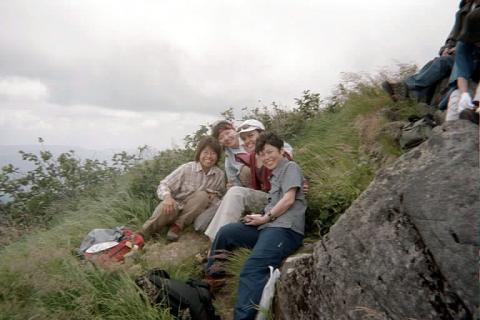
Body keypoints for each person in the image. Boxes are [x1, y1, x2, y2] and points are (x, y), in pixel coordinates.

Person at [204, 132, 306, 320]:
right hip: (268, 226)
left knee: (252, 269)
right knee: (227, 232)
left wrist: (265, 218)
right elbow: (274, 202)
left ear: (282, 151)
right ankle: (212, 278)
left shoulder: (290, 167)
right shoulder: (275, 176)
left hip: (285, 230)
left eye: (270, 152)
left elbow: (289, 200)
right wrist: (259, 217)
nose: (266, 157)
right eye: (262, 154)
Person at [204, 119, 294, 241]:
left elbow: (284, 152)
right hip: (259, 190)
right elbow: (235, 183)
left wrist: (279, 158)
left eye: (227, 132)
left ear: (234, 130)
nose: (226, 138)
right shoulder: (232, 159)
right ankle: (215, 239)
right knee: (234, 191)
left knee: (238, 186)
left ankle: (218, 240)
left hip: (278, 193)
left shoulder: (259, 143)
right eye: (221, 137)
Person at [382, 1, 471, 105]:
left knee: (442, 62)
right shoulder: (463, 11)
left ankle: (406, 86)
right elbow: (452, 37)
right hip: (457, 55)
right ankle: (412, 96)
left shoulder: (474, 12)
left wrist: (457, 49)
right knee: (435, 63)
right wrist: (446, 48)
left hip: (469, 57)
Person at [140, 136, 225, 242]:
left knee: (203, 196)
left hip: (191, 214)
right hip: (174, 206)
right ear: (199, 153)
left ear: (217, 156)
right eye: (206, 152)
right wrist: (167, 198)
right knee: (166, 208)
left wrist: (214, 196)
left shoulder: (219, 175)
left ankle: (176, 227)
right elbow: (164, 184)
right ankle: (141, 235)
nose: (209, 156)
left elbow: (220, 195)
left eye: (213, 153)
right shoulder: (187, 168)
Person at [445, 6, 480, 121]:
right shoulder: (463, 45)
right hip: (473, 80)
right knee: (456, 100)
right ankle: (451, 127)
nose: (477, 44)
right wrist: (464, 94)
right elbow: (462, 74)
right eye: (475, 41)